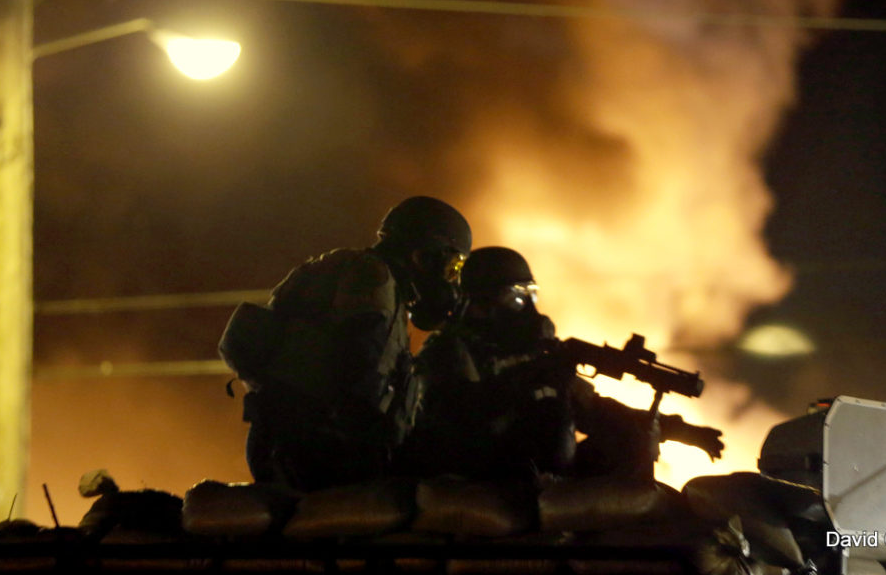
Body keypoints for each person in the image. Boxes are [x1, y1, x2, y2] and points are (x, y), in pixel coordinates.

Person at [400, 246, 724, 482]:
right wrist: (528, 381)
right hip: (478, 477)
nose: (527, 309)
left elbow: (594, 410)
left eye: (531, 296)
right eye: (515, 298)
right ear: (478, 304)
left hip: (542, 475)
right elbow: (458, 423)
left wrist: (678, 430)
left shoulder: (535, 354)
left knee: (631, 438)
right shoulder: (449, 351)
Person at [219, 196, 471, 492]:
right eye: (453, 267)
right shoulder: (374, 279)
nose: (450, 281)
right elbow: (360, 387)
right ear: (425, 254)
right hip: (320, 454)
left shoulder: (348, 269)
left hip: (289, 444)